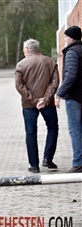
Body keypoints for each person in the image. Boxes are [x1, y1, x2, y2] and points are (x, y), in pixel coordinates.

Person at [15, 39, 60, 173]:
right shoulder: (50, 62)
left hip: (28, 104)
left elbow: (19, 86)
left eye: (24, 49)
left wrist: (34, 101)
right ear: (37, 48)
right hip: (48, 103)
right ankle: (48, 159)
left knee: (30, 132)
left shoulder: (21, 65)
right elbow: (55, 82)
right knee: (52, 128)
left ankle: (34, 166)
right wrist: (45, 100)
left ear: (27, 49)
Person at [55, 25, 82, 173]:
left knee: (75, 131)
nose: (64, 39)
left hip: (75, 98)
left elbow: (70, 75)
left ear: (71, 37)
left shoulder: (72, 52)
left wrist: (59, 94)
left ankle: (78, 163)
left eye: (66, 36)